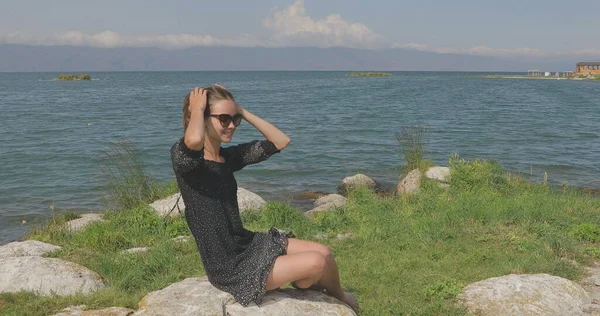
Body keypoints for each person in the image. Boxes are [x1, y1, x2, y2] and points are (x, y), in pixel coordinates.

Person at [170, 85, 359, 312]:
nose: (232, 125)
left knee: (325, 253)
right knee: (316, 263)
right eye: (223, 119)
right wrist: (197, 108)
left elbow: (280, 141)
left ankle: (339, 296)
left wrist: (243, 111)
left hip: (247, 243)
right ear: (201, 118)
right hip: (229, 266)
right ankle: (308, 281)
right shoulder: (187, 162)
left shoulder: (227, 158)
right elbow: (192, 141)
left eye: (235, 119)